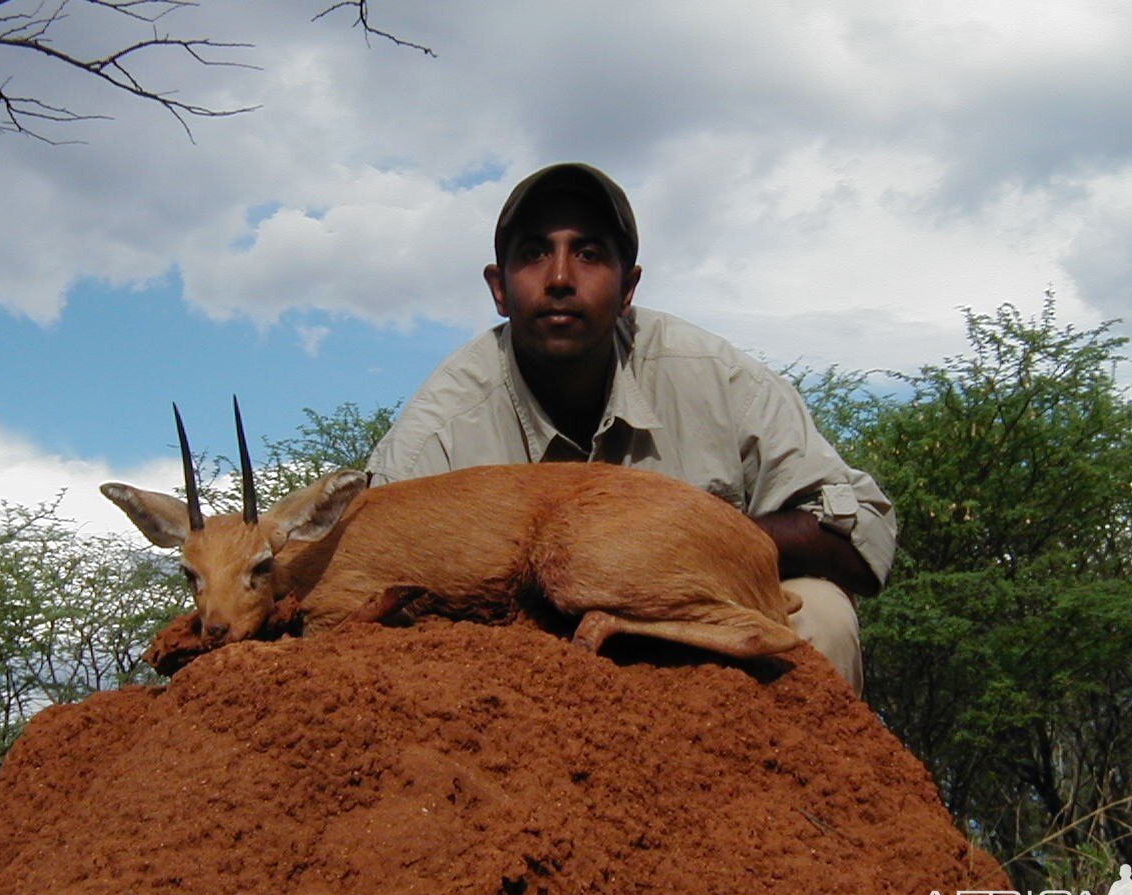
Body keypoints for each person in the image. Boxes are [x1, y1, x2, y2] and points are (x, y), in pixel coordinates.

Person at [366, 162, 896, 694]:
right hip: (517, 660)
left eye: (589, 254)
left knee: (822, 615)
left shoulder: (713, 375)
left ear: (628, 288)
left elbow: (860, 531)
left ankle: (801, 775)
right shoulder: (440, 428)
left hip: (700, 625)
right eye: (533, 254)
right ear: (498, 289)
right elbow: (363, 578)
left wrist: (673, 547)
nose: (559, 278)